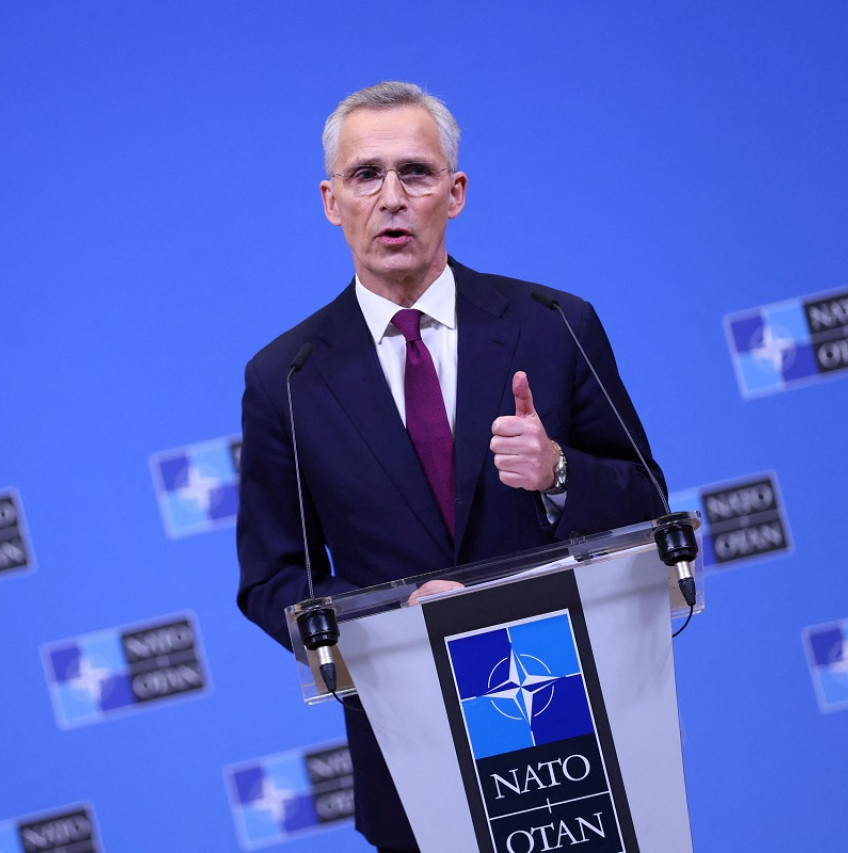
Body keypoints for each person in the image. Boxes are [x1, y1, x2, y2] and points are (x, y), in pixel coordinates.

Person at [235, 81, 666, 853]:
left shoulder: (554, 324)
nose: (391, 198)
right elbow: (272, 577)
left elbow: (649, 503)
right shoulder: (287, 380)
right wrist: (389, 619)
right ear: (332, 202)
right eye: (367, 176)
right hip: (412, 741)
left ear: (456, 192)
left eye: (416, 173)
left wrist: (560, 471)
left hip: (576, 723)